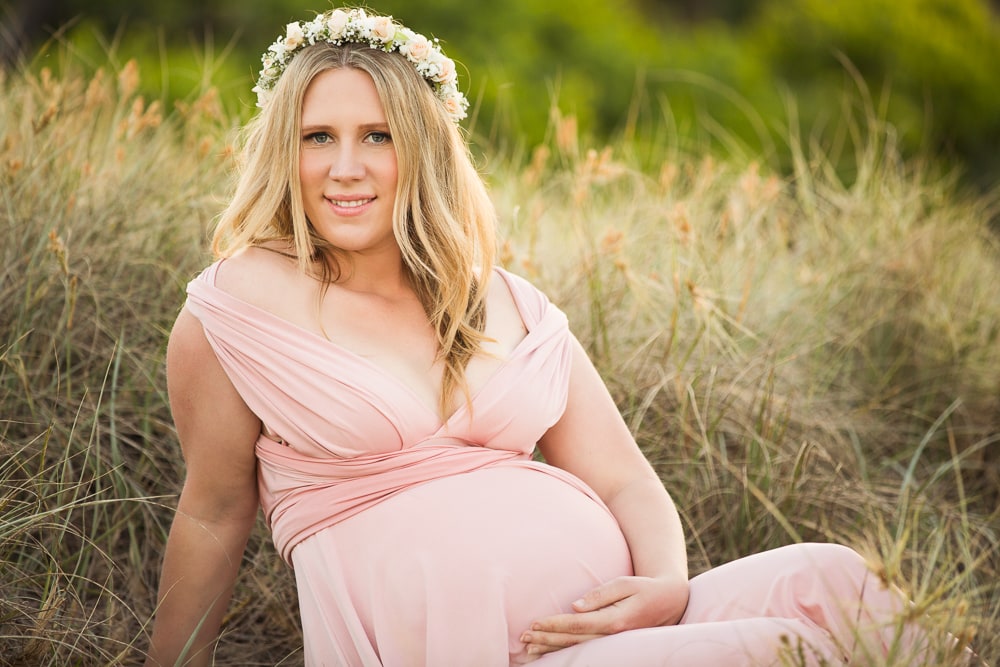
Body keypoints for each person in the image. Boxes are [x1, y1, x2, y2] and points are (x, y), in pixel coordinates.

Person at [144, 7, 970, 667]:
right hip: (476, 651)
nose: (345, 167)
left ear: (423, 148)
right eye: (317, 136)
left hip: (610, 628)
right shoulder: (237, 308)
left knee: (841, 578)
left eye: (378, 136)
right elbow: (214, 514)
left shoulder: (503, 299)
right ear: (284, 149)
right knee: (784, 651)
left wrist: (663, 585)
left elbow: (624, 478)